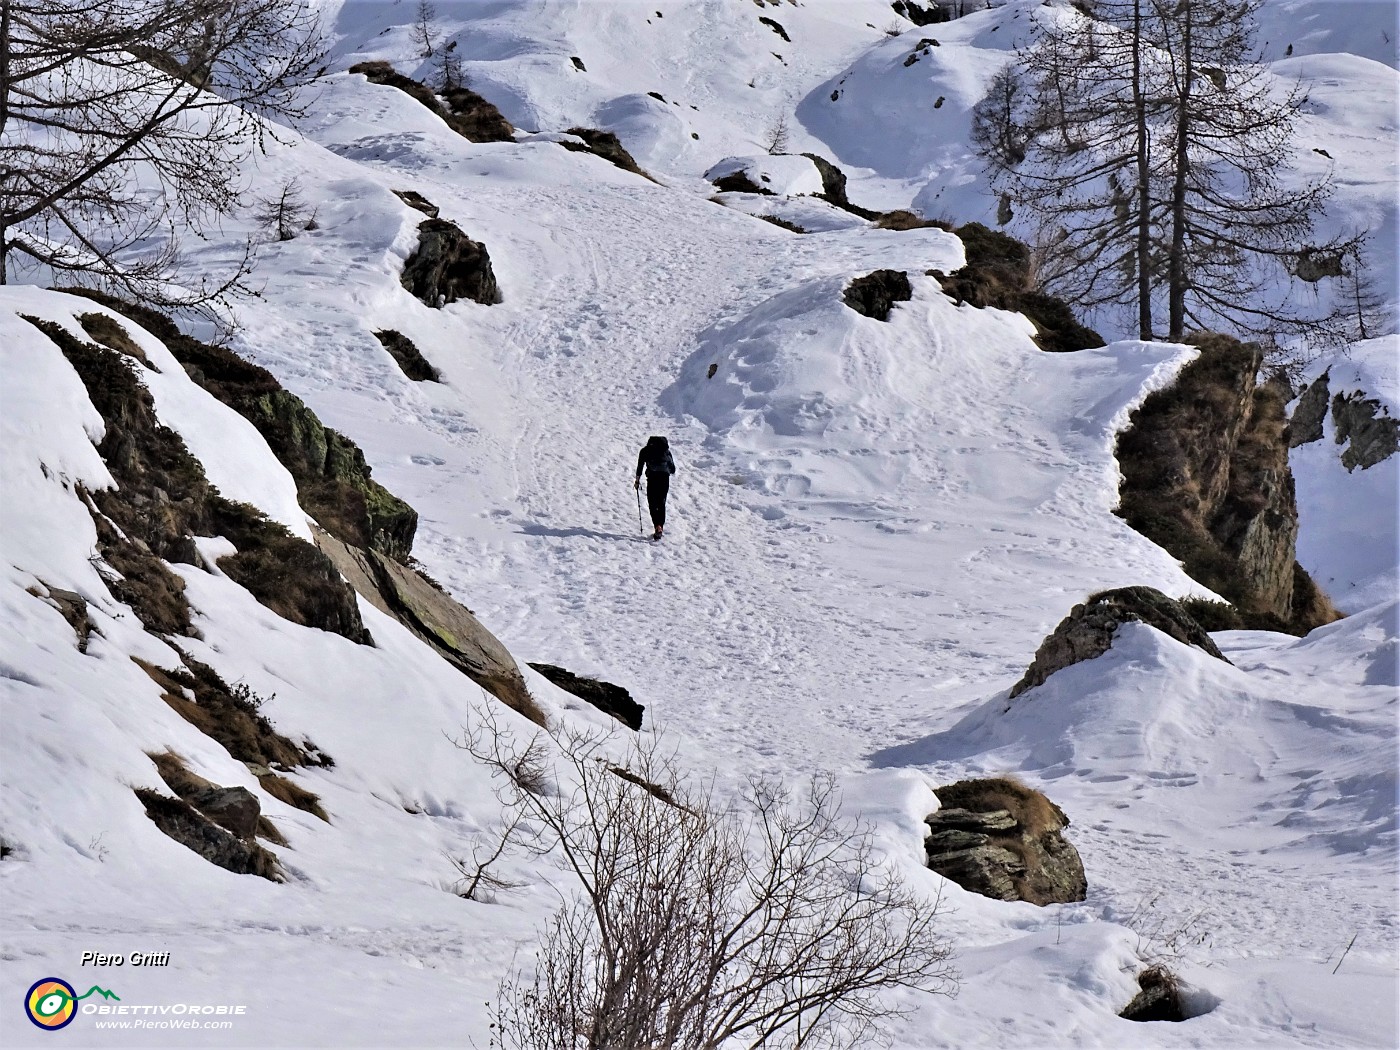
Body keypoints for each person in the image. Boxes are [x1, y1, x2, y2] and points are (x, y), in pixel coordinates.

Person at [634, 435, 676, 540]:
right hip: (664, 478)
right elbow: (673, 469)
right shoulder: (666, 451)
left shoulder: (645, 451)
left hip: (652, 478)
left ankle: (656, 525)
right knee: (661, 503)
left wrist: (637, 481)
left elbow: (640, 467)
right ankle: (660, 526)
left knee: (652, 503)